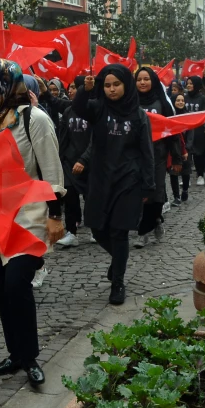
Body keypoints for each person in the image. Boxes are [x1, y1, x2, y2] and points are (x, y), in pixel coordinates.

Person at [0, 60, 65, 387]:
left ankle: (30, 356)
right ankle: (16, 353)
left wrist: (54, 217)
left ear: (0, 89)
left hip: (28, 216)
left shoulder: (33, 120)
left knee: (16, 285)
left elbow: (51, 172)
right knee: (1, 291)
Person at [70, 66, 154, 305]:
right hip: (100, 178)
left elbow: (147, 153)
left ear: (126, 85)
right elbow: (78, 108)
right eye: (107, 85)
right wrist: (85, 91)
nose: (111, 89)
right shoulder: (98, 108)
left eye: (116, 84)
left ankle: (117, 281)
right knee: (97, 229)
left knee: (119, 232)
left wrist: (149, 185)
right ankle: (118, 260)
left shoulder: (139, 116)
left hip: (128, 181)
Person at [133, 66, 179, 247]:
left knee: (156, 193)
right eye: (139, 79)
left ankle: (150, 224)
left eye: (146, 79)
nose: (142, 83)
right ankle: (147, 226)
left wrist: (176, 157)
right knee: (139, 194)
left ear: (152, 81)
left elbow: (172, 130)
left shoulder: (162, 103)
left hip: (158, 155)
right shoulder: (130, 102)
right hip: (135, 156)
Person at [56, 88, 92, 246]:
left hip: (90, 161)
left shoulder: (93, 110)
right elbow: (63, 136)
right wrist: (60, 157)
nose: (71, 91)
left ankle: (94, 228)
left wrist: (85, 159)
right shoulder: (68, 111)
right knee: (69, 196)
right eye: (69, 88)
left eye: (75, 88)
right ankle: (71, 232)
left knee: (90, 197)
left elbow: (96, 138)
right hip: (69, 162)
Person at [183, 76, 205, 187]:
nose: (189, 85)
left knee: (198, 154)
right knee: (186, 153)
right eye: (188, 83)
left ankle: (200, 175)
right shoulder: (184, 97)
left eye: (191, 83)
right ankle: (186, 176)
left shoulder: (202, 98)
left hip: (198, 130)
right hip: (186, 129)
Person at [170, 94, 192, 203]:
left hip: (186, 148)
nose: (180, 102)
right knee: (174, 172)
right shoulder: (171, 115)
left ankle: (185, 190)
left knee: (186, 171)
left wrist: (187, 148)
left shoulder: (187, 115)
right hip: (174, 148)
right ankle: (176, 196)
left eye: (182, 100)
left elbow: (191, 132)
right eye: (178, 100)